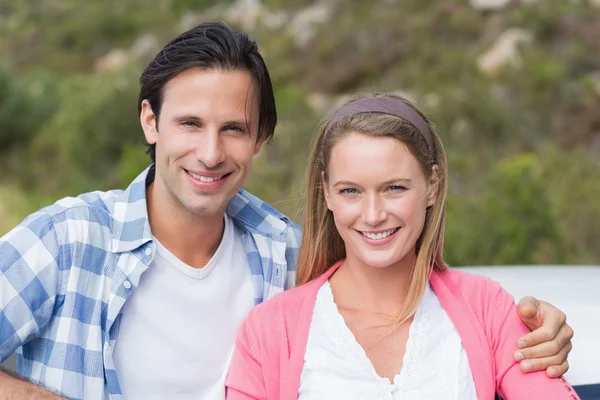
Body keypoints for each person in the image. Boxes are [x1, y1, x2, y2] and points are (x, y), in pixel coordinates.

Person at [0, 23, 572, 400]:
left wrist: (536, 323)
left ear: (262, 138)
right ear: (150, 122)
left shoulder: (285, 252)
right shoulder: (69, 239)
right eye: (189, 124)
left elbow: (396, 287)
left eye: (234, 129)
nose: (210, 153)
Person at [225, 93, 580, 400]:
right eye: (351, 190)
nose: (374, 214)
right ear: (328, 191)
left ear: (433, 185)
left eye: (394, 188)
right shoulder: (269, 331)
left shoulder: (487, 309)